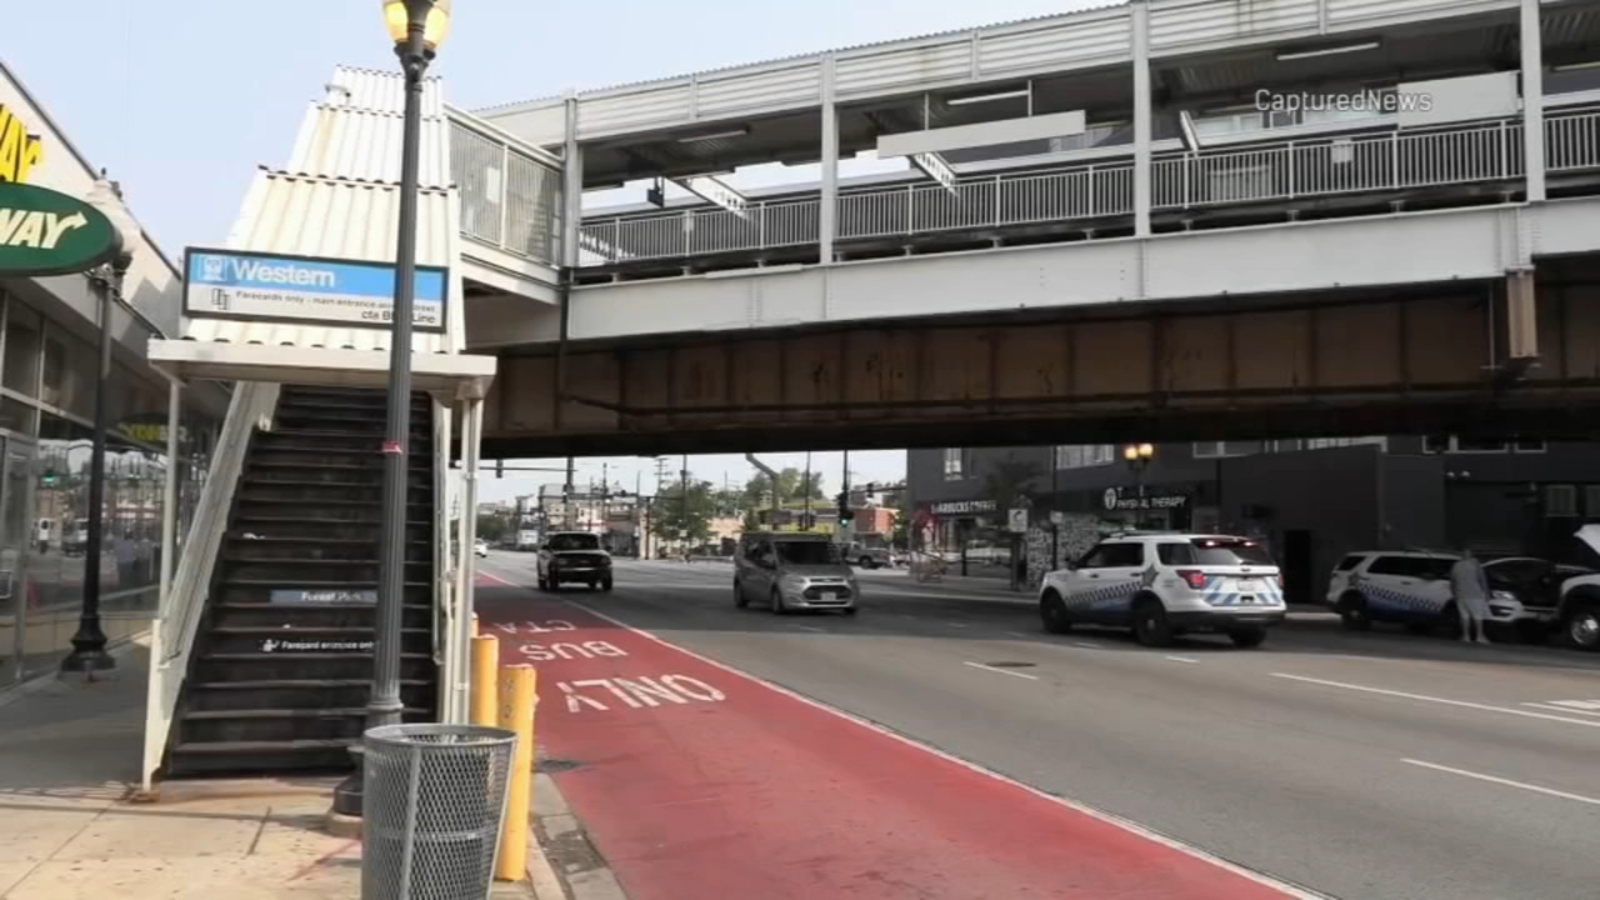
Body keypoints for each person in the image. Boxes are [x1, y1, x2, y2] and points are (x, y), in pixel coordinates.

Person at [1448, 549, 1494, 645]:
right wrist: (1487, 592)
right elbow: (1482, 579)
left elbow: (1452, 581)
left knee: (1464, 616)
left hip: (1460, 594)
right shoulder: (1475, 564)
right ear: (1471, 555)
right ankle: (1479, 636)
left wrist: (1454, 593)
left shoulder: (1456, 565)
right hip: (1475, 595)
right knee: (1478, 616)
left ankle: (1466, 636)